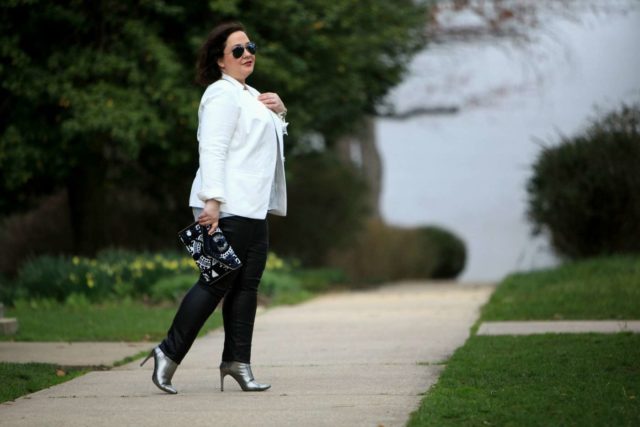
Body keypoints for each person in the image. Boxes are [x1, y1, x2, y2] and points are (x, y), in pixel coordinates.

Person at [141, 22, 288, 394]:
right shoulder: (221, 94)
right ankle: (167, 354)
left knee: (246, 289)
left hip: (253, 209)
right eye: (237, 50)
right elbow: (213, 149)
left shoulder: (251, 94)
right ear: (221, 60)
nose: (247, 53)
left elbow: (263, 148)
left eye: (250, 46)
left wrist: (280, 114)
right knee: (214, 284)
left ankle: (237, 363)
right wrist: (212, 203)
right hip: (227, 207)